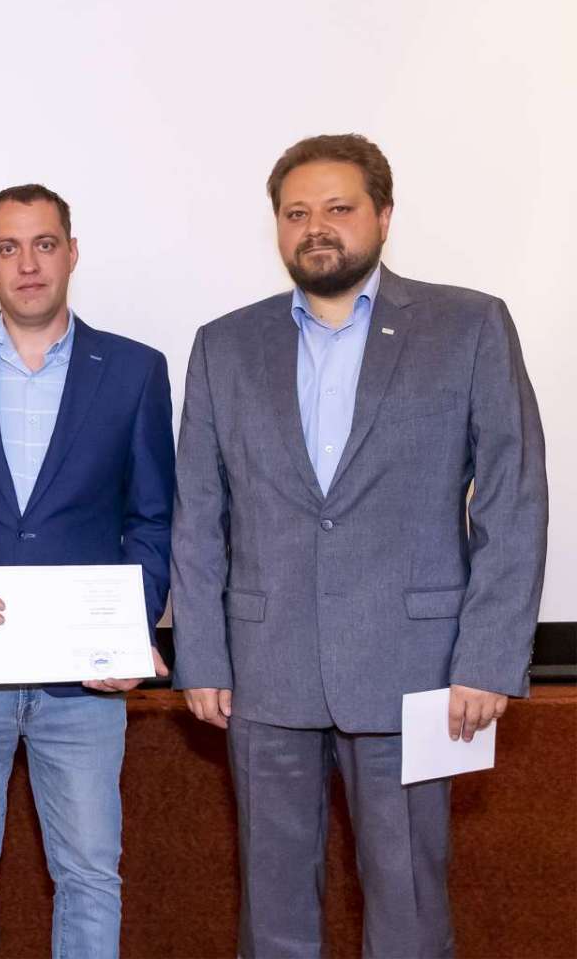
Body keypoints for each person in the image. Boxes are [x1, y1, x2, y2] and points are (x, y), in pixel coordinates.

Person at [171, 133, 548, 957]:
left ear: (383, 215)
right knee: (272, 914)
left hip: (418, 672)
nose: (317, 227)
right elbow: (198, 514)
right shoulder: (224, 344)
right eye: (296, 212)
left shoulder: (470, 326)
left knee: (409, 909)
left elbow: (513, 499)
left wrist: (489, 658)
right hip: (264, 675)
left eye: (339, 208)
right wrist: (199, 654)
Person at [0, 184, 174, 958]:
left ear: (72, 253)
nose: (28, 264)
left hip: (85, 676)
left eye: (44, 244)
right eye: (9, 247)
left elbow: (152, 519)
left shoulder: (134, 370)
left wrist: (129, 631)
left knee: (89, 871)